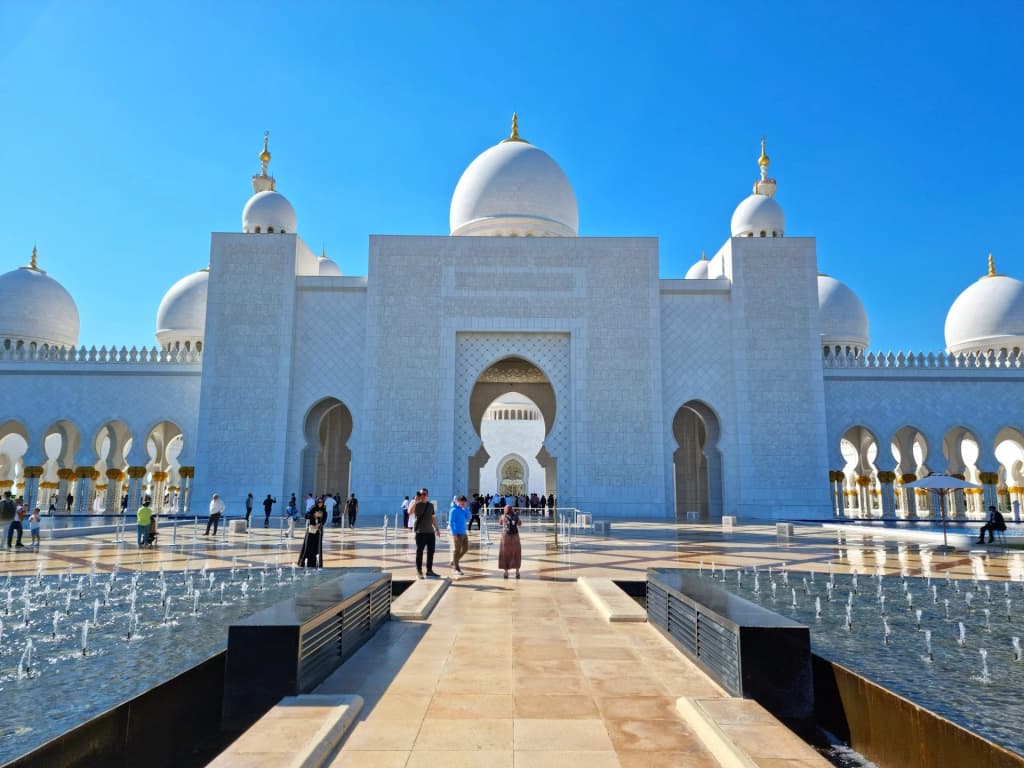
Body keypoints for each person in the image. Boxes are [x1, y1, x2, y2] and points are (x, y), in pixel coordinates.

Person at [411, 489, 441, 578]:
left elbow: (433, 518)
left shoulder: (430, 505)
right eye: (420, 494)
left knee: (431, 552)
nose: (422, 495)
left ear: (427, 495)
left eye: (424, 494)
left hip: (430, 532)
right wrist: (415, 502)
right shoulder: (416, 504)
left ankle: (429, 570)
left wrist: (437, 528)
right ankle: (419, 571)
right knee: (419, 552)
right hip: (420, 532)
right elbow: (409, 512)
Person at [298, 497, 325, 568]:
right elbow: (307, 516)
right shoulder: (313, 509)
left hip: (318, 531)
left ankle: (316, 563)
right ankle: (304, 563)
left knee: (317, 546)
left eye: (321, 502)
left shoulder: (323, 510)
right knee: (308, 545)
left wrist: (320, 521)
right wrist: (314, 515)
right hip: (311, 531)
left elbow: (324, 520)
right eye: (319, 502)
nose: (320, 504)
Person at [449, 495, 471, 575]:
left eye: (464, 502)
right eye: (462, 502)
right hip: (457, 533)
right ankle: (456, 568)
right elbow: (451, 523)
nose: (463, 503)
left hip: (464, 532)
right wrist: (454, 534)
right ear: (457, 501)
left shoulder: (462, 510)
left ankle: (454, 561)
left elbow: (469, 516)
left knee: (465, 549)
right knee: (457, 550)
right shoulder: (453, 510)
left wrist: (465, 509)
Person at [498, 504, 522, 579]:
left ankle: (506, 573)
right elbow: (520, 524)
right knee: (516, 553)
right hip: (515, 536)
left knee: (505, 553)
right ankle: (517, 572)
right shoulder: (516, 516)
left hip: (505, 537)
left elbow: (500, 523)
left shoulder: (503, 516)